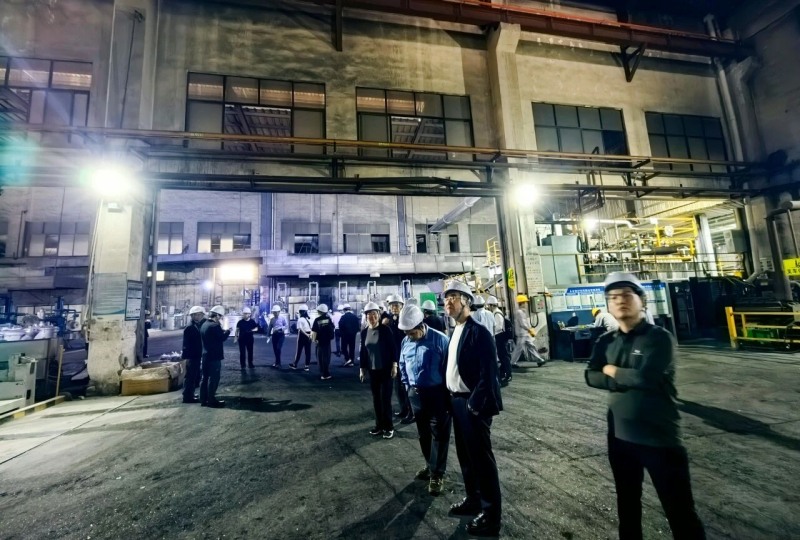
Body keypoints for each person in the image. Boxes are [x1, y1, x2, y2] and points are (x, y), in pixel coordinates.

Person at [585, 272, 705, 540]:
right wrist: (623, 376)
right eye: (613, 297)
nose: (620, 301)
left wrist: (612, 370)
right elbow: (590, 376)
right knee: (627, 509)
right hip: (619, 439)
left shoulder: (658, 338)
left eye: (627, 295)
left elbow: (647, 378)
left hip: (659, 438)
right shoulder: (606, 341)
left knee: (680, 513)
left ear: (642, 300)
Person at [442, 280, 503, 537]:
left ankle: (491, 515)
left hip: (473, 404)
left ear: (467, 301)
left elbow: (489, 375)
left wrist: (474, 406)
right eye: (446, 298)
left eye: (454, 297)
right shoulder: (455, 330)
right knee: (466, 457)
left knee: (481, 460)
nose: (448, 302)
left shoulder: (479, 332)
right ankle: (474, 499)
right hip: (457, 402)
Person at [397, 304, 452, 496]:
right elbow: (402, 364)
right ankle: (430, 466)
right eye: (407, 333)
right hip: (416, 395)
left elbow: (449, 369)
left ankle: (437, 475)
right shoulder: (405, 341)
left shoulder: (440, 340)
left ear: (421, 325)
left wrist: (447, 394)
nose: (409, 336)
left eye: (412, 333)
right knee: (423, 433)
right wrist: (407, 386)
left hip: (437, 394)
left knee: (440, 435)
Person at [359, 302, 398, 439]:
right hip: (373, 370)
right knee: (376, 399)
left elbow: (393, 348)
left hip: (386, 369)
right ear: (366, 316)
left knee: (385, 400)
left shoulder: (385, 330)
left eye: (374, 314)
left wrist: (394, 365)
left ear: (378, 315)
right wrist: (362, 368)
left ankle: (389, 427)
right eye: (369, 314)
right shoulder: (364, 332)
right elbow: (363, 351)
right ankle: (379, 426)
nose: (372, 317)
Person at [382, 294, 414, 424]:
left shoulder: (406, 319)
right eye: (392, 305)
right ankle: (404, 409)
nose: (394, 307)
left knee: (407, 386)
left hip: (405, 357)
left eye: (397, 305)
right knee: (398, 386)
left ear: (402, 306)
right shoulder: (388, 320)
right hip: (394, 358)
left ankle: (412, 413)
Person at [199, 305, 230, 408]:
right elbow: (222, 338)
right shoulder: (214, 326)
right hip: (214, 357)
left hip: (205, 355)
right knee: (214, 378)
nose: (220, 319)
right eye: (220, 317)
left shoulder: (204, 324)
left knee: (204, 378)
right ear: (216, 315)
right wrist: (228, 331)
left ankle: (203, 399)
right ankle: (211, 400)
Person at [510, 294, 545, 368]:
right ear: (522, 303)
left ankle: (539, 360)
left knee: (531, 346)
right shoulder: (519, 312)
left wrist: (529, 330)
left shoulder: (522, 311)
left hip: (524, 333)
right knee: (519, 349)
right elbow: (522, 323)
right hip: (521, 334)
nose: (526, 304)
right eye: (525, 302)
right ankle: (512, 363)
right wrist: (529, 330)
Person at [181, 305, 206, 404]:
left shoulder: (198, 325)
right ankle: (187, 397)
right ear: (192, 316)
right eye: (195, 315)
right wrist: (187, 357)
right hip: (192, 355)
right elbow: (186, 344)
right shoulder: (190, 327)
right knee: (190, 376)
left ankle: (190, 393)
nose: (197, 316)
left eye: (199, 315)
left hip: (197, 354)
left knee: (195, 375)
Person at [486, 296, 512, 386]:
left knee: (503, 356)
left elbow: (499, 326)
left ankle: (508, 374)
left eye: (489, 305)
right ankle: (503, 373)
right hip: (499, 336)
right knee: (502, 356)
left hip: (500, 336)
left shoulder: (497, 313)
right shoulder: (496, 312)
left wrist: (492, 331)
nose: (488, 307)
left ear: (492, 305)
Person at [311, 303, 335, 380]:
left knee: (320, 357)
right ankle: (325, 373)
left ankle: (323, 372)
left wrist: (314, 340)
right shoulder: (328, 319)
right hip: (327, 341)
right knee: (326, 357)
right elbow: (332, 328)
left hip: (319, 341)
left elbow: (314, 331)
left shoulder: (317, 320)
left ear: (320, 311)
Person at [289, 304, 312, 371]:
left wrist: (306, 335)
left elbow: (300, 329)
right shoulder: (309, 319)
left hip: (302, 335)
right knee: (308, 351)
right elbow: (311, 328)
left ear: (301, 312)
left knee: (299, 350)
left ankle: (295, 364)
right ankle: (307, 366)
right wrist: (309, 335)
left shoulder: (300, 319)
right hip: (309, 334)